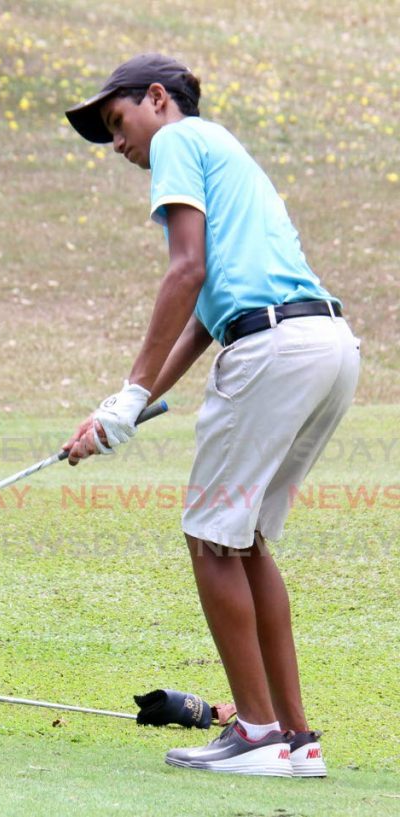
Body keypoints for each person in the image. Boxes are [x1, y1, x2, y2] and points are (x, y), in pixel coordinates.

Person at [61, 54, 360, 777]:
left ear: (158, 99)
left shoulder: (178, 142)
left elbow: (185, 268)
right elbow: (202, 317)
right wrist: (120, 411)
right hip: (326, 347)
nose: (120, 145)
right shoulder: (225, 153)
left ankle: (255, 733)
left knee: (209, 538)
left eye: (117, 121)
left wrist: (130, 395)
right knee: (245, 539)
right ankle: (296, 737)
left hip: (273, 349)